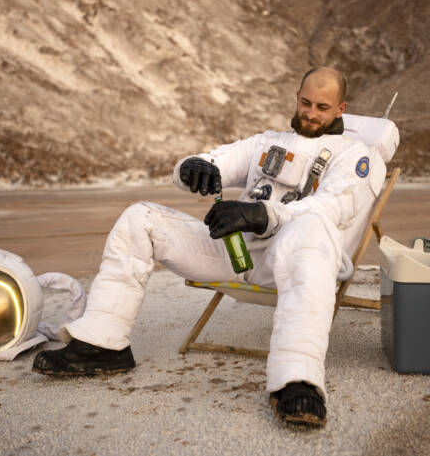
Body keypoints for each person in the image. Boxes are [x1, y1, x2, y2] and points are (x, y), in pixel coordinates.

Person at [32, 67, 387, 428]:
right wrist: (193, 168)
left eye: (322, 108)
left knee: (311, 226)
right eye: (306, 102)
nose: (311, 113)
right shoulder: (267, 142)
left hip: (295, 259)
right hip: (236, 250)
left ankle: (298, 381)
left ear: (341, 109)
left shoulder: (358, 158)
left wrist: (259, 213)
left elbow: (330, 208)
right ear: (297, 97)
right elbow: (216, 159)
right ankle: (102, 344)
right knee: (139, 217)